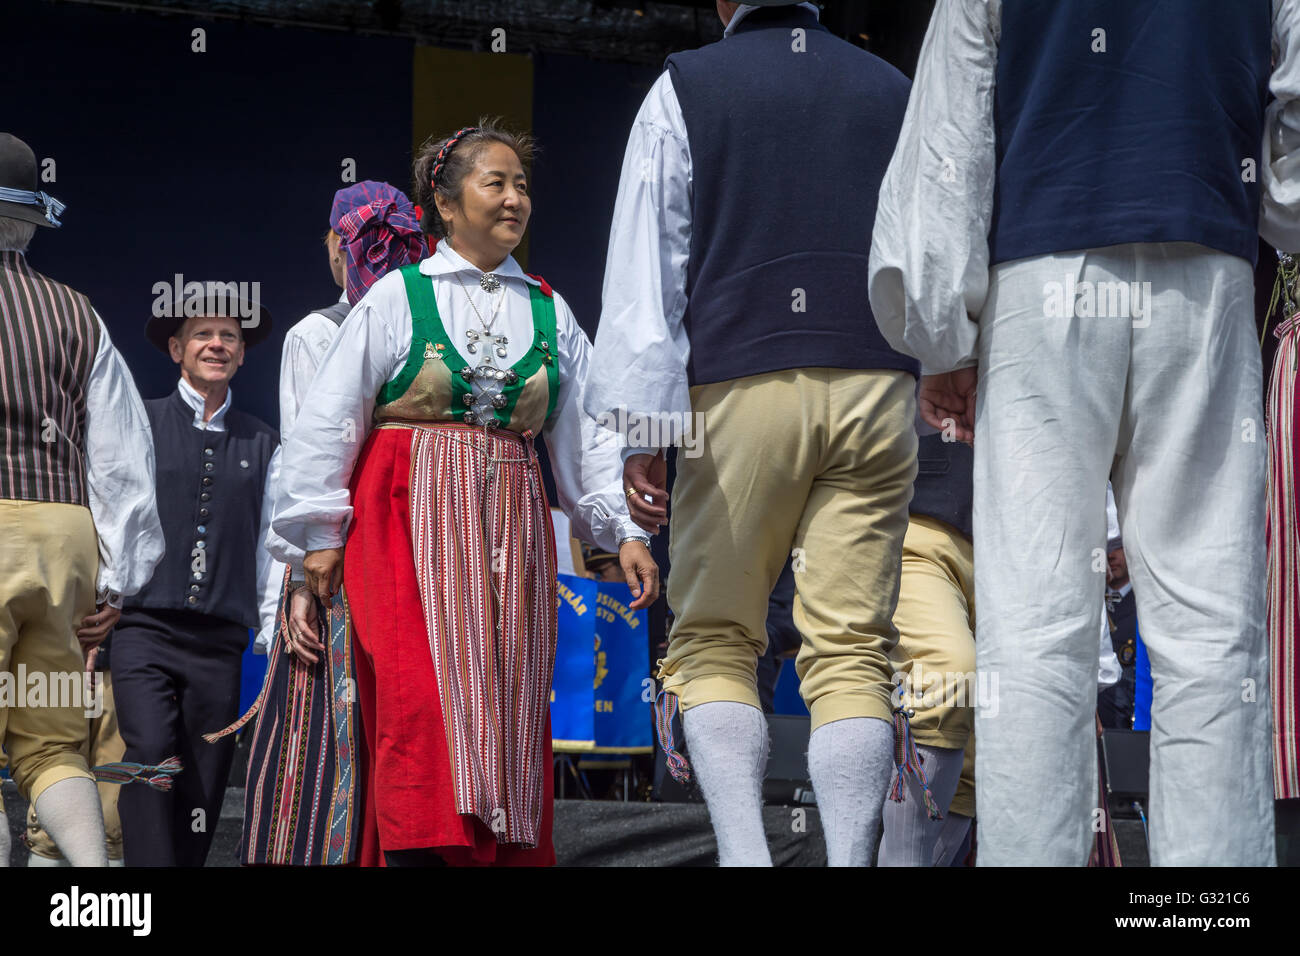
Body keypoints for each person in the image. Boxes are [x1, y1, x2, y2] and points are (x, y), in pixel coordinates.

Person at [868, 0, 1300, 865]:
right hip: (1203, 264)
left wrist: (945, 335)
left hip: (1042, 273)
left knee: (1032, 627)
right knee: (1211, 628)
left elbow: (954, 124)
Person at [586, 1, 921, 866]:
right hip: (879, 379)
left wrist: (643, 432)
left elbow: (646, 269)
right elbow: (935, 234)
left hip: (739, 383)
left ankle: (744, 858)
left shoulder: (685, 87)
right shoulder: (892, 87)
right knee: (852, 647)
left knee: (715, 635)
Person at [274, 121, 659, 867]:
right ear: (445, 206)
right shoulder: (396, 297)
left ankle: (495, 853)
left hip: (509, 527)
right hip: (402, 523)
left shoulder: (548, 308)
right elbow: (330, 420)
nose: (515, 198)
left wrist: (623, 532)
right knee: (420, 704)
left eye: (523, 186)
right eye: (497, 183)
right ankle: (422, 854)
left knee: (508, 703)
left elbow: (586, 436)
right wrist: (318, 535)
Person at [219, 180, 429, 866]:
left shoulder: (321, 333)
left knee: (318, 734)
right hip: (408, 546)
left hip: (333, 556)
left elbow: (307, 459)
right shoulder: (424, 328)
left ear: (341, 248)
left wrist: (296, 584)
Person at [0, 132, 163, 867]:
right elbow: (124, 457)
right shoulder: (78, 314)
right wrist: (117, 576)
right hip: (64, 538)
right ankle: (91, 888)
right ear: (30, 222)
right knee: (53, 744)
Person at [112, 285, 280, 867]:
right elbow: (113, 513)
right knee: (150, 754)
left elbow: (270, 545)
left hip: (220, 643)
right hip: (144, 630)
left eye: (229, 335)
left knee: (205, 783)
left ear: (242, 354)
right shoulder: (140, 422)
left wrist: (269, 624)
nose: (217, 344)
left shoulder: (264, 442)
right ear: (177, 349)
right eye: (203, 335)